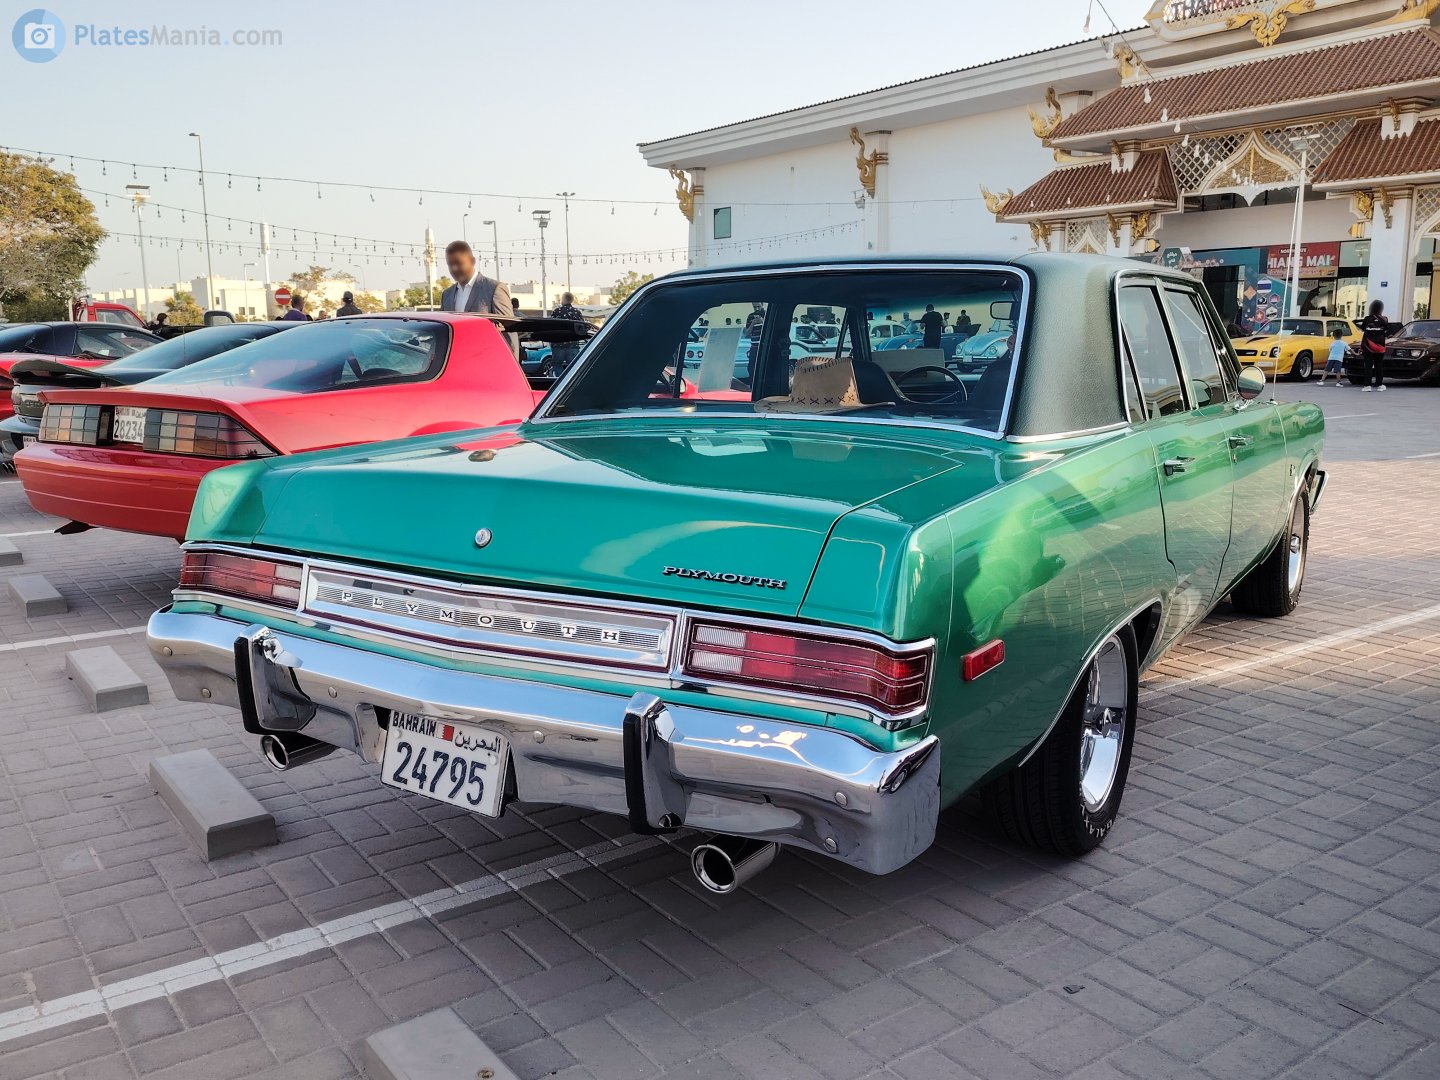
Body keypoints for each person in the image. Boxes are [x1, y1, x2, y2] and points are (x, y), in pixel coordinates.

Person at [440, 241, 512, 316]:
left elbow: (508, 326)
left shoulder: (494, 289)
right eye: (450, 265)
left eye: (458, 263)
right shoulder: (447, 295)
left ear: (472, 261)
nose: (454, 269)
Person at [547, 292, 587, 373]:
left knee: (557, 364)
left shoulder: (557, 312)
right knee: (573, 366)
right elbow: (583, 327)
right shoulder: (577, 313)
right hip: (573, 344)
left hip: (558, 344)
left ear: (565, 299)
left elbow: (551, 326)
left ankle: (560, 379)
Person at [1358, 298, 1388, 392]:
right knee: (1379, 365)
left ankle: (1367, 385)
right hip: (1380, 346)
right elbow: (1387, 331)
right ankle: (1379, 384)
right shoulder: (1384, 319)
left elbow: (1362, 328)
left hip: (1368, 346)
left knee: (1368, 365)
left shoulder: (1367, 319)